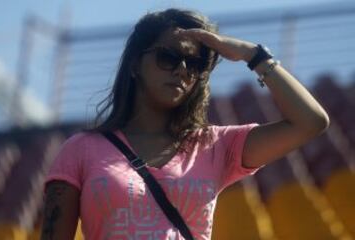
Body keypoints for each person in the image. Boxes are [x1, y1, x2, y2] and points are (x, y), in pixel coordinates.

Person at [41, 8, 330, 240]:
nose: (181, 70)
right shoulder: (80, 149)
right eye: (168, 57)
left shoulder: (214, 145)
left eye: (194, 65)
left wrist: (253, 55)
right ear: (134, 65)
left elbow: (311, 122)